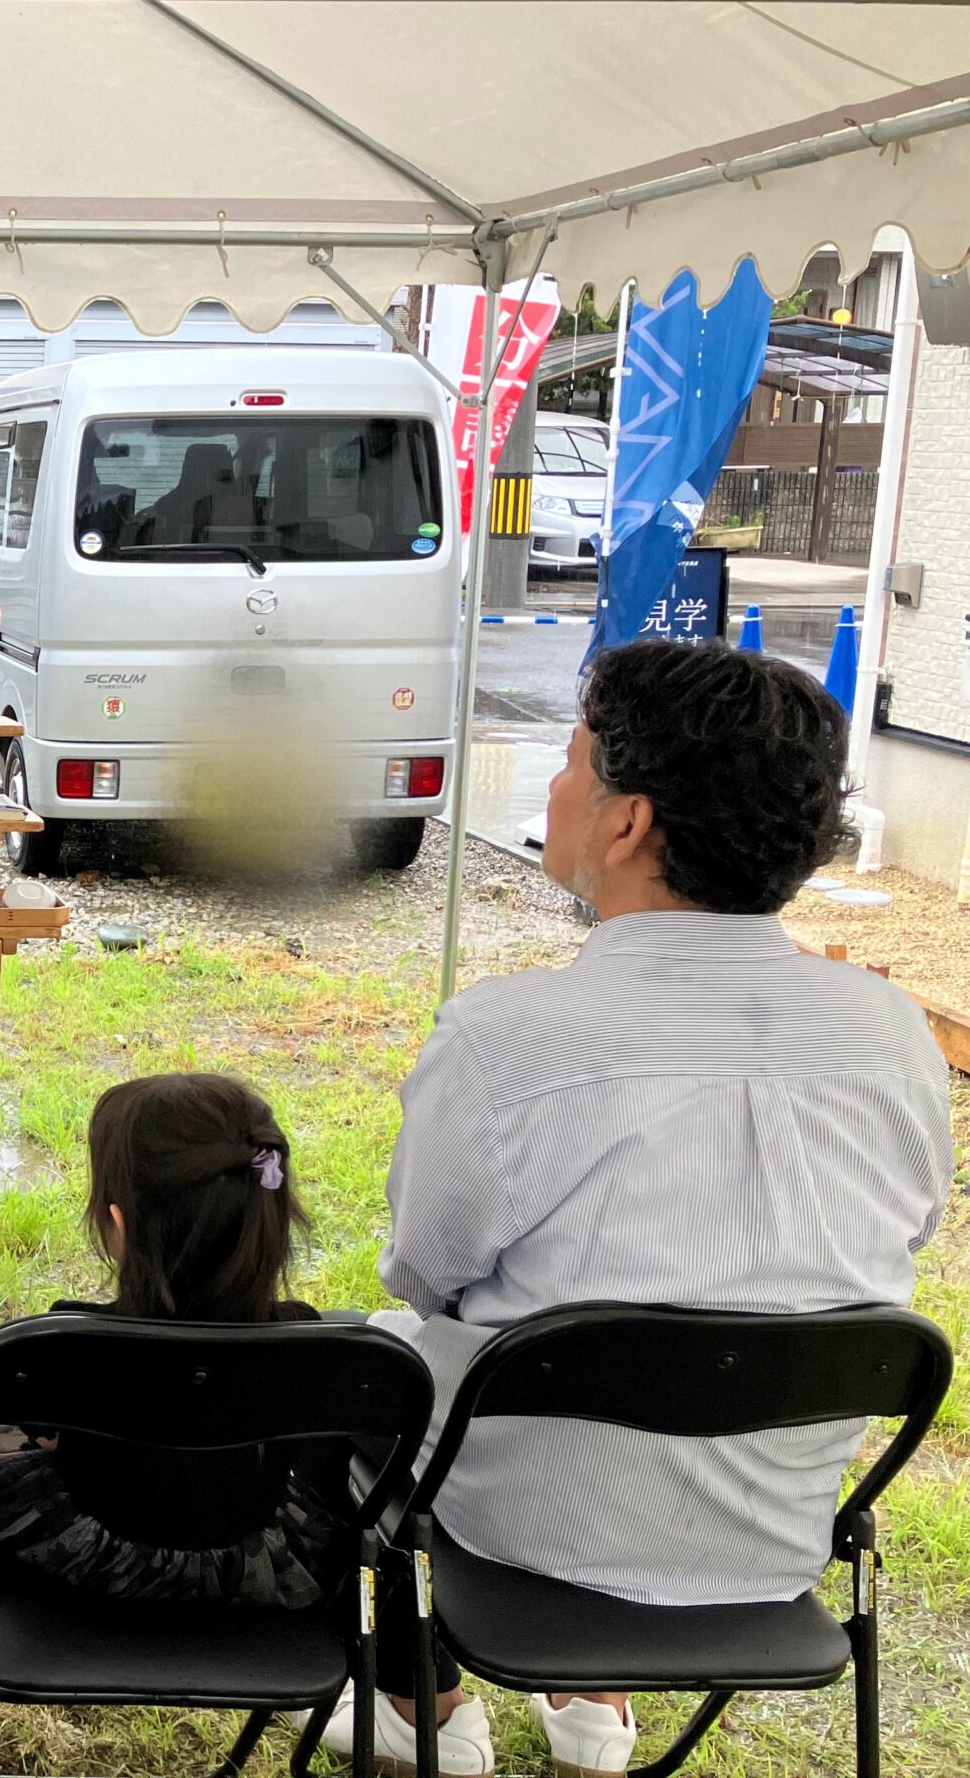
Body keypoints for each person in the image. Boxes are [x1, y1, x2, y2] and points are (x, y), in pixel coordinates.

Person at [325, 641, 954, 1777]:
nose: (556, 789)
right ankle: (590, 1702)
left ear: (627, 825)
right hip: (772, 1534)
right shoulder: (890, 1036)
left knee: (371, 1362)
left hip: (531, 1525)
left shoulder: (507, 1038)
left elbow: (422, 1272)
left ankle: (423, 1712)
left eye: (571, 764)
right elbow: (898, 1236)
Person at [0, 1073, 341, 1617]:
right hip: (255, 1574)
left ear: (118, 1226)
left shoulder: (66, 1345)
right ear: (268, 1210)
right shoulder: (309, 1344)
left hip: (91, 1567)